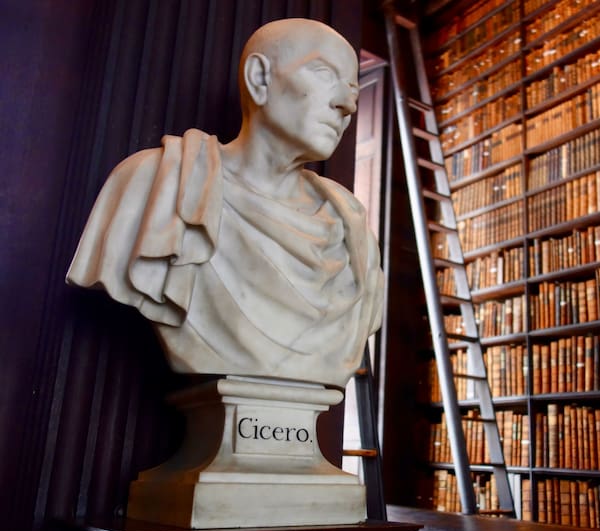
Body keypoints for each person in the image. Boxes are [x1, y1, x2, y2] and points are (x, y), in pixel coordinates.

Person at [66, 18, 383, 389]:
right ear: (260, 79)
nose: (346, 105)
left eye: (354, 91)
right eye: (323, 73)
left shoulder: (351, 226)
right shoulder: (152, 184)